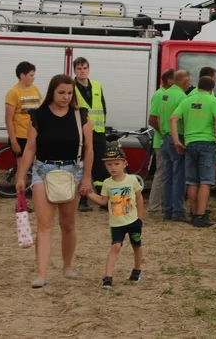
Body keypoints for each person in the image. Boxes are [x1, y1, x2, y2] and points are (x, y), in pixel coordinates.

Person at [15, 74, 94, 288]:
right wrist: (22, 175)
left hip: (73, 171)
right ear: (52, 92)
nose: (66, 97)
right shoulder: (38, 115)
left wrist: (87, 176)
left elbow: (89, 149)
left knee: (68, 224)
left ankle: (67, 266)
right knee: (44, 224)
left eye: (70, 93)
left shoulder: (82, 116)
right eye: (61, 92)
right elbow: (30, 147)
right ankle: (41, 273)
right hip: (43, 170)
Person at [86, 146, 144, 287]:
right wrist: (89, 194)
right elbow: (103, 201)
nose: (113, 167)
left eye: (117, 164)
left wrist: (140, 218)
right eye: (109, 164)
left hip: (133, 221)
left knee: (136, 246)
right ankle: (108, 277)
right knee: (115, 247)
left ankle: (137, 270)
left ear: (125, 164)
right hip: (116, 223)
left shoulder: (132, 180)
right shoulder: (107, 183)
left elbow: (139, 198)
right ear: (105, 166)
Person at [171, 76, 216, 228]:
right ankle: (201, 215)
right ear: (212, 88)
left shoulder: (187, 100)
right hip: (207, 142)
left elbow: (173, 118)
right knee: (206, 181)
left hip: (190, 143)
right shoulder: (213, 101)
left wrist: (176, 140)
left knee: (192, 181)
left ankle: (193, 213)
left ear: (198, 86)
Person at [155, 69, 191, 222]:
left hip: (165, 138)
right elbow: (181, 119)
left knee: (168, 177)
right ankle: (178, 211)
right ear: (185, 81)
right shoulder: (182, 97)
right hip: (178, 138)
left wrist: (164, 133)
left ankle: (167, 210)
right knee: (179, 177)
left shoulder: (165, 94)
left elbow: (158, 118)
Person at [72, 57, 107, 213]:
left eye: (84, 68)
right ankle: (82, 200)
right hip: (79, 132)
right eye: (79, 69)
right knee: (80, 166)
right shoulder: (71, 88)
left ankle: (102, 199)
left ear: (88, 69)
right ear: (75, 71)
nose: (82, 71)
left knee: (100, 166)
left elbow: (103, 108)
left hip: (98, 132)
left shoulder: (97, 86)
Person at [5, 62, 42, 188]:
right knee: (22, 168)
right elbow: (8, 120)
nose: (33, 77)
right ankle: (20, 201)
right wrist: (14, 141)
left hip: (35, 135)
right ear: (22, 75)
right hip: (20, 135)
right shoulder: (13, 93)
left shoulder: (35, 89)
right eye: (31, 75)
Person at [147, 69, 174, 215]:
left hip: (163, 140)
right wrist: (165, 134)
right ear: (170, 80)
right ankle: (153, 206)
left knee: (165, 173)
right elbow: (152, 119)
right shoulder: (160, 95)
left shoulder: (166, 94)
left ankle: (163, 203)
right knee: (161, 174)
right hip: (161, 141)